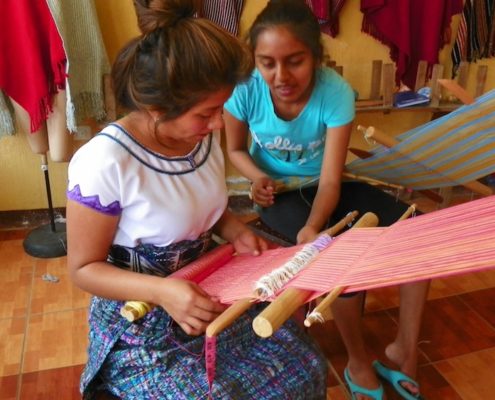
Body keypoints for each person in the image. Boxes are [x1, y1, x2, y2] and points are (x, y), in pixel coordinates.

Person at [66, 0, 328, 399]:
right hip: (142, 323)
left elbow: (201, 204)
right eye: (207, 113)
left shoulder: (199, 139)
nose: (219, 123)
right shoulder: (105, 162)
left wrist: (234, 229)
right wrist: (165, 292)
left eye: (220, 109)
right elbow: (83, 269)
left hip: (209, 292)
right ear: (156, 108)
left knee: (303, 364)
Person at [223, 0, 429, 399]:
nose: (280, 76)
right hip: (279, 194)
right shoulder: (246, 89)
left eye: (295, 61)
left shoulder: (334, 93)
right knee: (342, 259)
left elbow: (332, 180)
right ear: (256, 61)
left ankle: (406, 350)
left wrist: (313, 227)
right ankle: (357, 360)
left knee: (417, 228)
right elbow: (234, 150)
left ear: (316, 57)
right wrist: (258, 178)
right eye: (267, 63)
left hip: (327, 186)